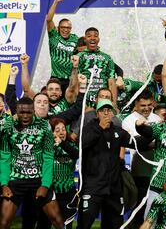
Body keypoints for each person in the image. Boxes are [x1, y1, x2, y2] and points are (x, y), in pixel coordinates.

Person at [78, 99, 149, 229]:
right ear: (97, 113)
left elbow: (137, 143)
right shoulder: (89, 127)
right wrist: (100, 128)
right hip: (94, 186)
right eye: (103, 110)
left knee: (115, 224)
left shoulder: (118, 131)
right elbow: (83, 144)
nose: (106, 113)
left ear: (112, 113)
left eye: (109, 110)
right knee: (84, 223)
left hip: (113, 187)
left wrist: (150, 133)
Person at [0, 97, 64, 229]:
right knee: (4, 222)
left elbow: (48, 156)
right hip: (16, 179)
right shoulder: (7, 126)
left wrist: (45, 185)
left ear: (34, 111)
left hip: (38, 179)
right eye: (21, 112)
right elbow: (5, 156)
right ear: (16, 111)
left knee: (57, 220)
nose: (25, 116)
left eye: (28, 112)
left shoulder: (44, 126)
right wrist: (4, 183)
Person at [121, 90, 162, 227]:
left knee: (157, 208)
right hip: (140, 171)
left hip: (158, 172)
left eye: (149, 104)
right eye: (143, 105)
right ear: (136, 104)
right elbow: (140, 144)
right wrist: (158, 142)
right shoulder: (128, 121)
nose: (146, 108)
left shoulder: (156, 119)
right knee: (140, 208)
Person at [37, 117, 79, 229]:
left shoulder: (72, 145)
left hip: (67, 192)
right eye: (57, 130)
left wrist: (61, 143)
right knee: (43, 224)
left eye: (63, 129)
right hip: (50, 191)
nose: (61, 132)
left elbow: (76, 154)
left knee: (66, 225)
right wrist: (52, 143)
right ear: (51, 132)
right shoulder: (47, 147)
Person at [75, 27, 117, 108]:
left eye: (95, 36)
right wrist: (81, 105)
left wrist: (114, 104)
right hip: (85, 102)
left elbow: (111, 82)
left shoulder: (107, 58)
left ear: (99, 39)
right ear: (85, 39)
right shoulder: (79, 57)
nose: (92, 38)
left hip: (103, 102)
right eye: (89, 36)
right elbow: (76, 82)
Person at [46, 0, 79, 93]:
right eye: (63, 27)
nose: (65, 30)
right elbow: (49, 19)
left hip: (70, 79)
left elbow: (83, 50)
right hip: (56, 78)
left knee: (70, 104)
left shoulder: (75, 38)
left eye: (68, 28)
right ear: (58, 28)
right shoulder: (54, 36)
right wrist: (56, 2)